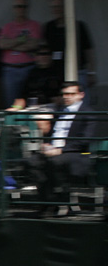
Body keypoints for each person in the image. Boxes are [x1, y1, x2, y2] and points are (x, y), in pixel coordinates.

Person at [35, 81, 97, 212]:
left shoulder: (88, 112)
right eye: (64, 94)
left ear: (81, 95)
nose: (67, 97)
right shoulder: (59, 111)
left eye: (71, 94)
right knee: (32, 162)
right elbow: (52, 133)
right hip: (54, 151)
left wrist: (61, 150)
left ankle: (61, 201)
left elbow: (85, 140)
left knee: (55, 162)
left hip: (76, 153)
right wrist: (47, 144)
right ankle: (46, 202)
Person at [0, 0, 42, 111]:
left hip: (29, 68)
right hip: (10, 69)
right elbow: (1, 44)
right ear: (13, 8)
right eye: (18, 6)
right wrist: (20, 40)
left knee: (30, 103)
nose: (20, 9)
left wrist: (11, 45)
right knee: (11, 103)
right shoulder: (7, 26)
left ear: (27, 8)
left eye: (23, 6)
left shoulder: (34, 25)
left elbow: (34, 44)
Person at [44, 0, 96, 93]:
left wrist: (91, 72)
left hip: (78, 72)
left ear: (66, 8)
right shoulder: (49, 27)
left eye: (59, 6)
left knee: (79, 105)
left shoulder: (79, 26)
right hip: (56, 74)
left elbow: (89, 51)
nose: (56, 10)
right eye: (54, 7)